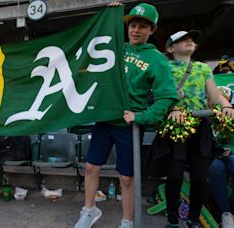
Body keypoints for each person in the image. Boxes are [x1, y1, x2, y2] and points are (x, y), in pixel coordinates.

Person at [75, 3, 178, 228]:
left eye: (142, 26)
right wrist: (109, 11)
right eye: (132, 25)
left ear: (152, 30)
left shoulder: (157, 59)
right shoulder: (116, 48)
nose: (135, 30)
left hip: (129, 126)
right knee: (91, 167)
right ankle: (90, 210)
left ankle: (127, 221)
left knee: (127, 178)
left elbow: (167, 97)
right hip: (104, 120)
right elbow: (95, 39)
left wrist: (140, 117)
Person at [161, 30, 234, 228]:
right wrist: (172, 105)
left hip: (201, 126)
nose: (189, 40)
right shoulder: (163, 67)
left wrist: (226, 105)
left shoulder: (203, 68)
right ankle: (172, 221)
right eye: (182, 39)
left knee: (200, 178)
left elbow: (215, 95)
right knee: (174, 176)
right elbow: (158, 95)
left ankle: (193, 220)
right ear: (171, 48)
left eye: (191, 39)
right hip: (176, 126)